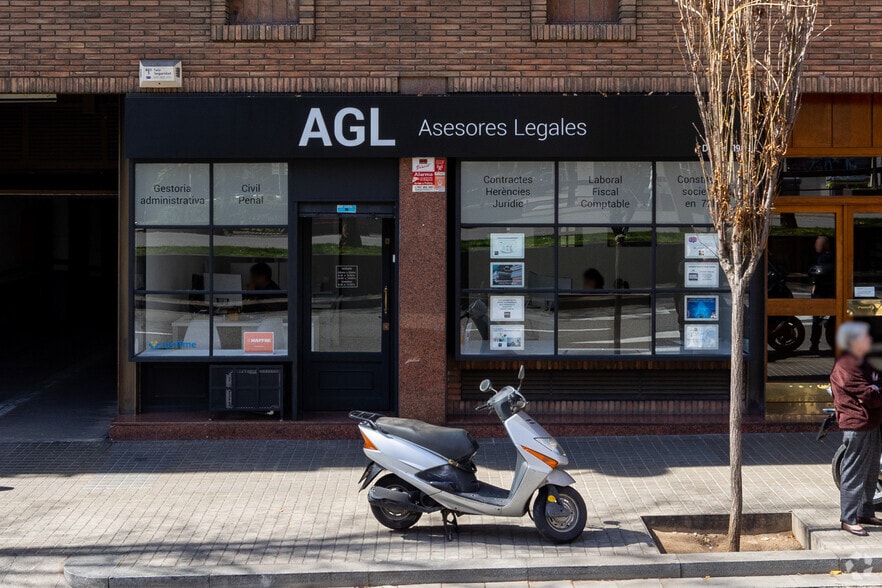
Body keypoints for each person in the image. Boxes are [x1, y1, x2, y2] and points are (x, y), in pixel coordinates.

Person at [829, 321, 882, 536]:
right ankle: (848, 518)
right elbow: (868, 394)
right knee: (854, 470)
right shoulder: (847, 364)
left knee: (871, 469)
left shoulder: (866, 361)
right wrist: (875, 391)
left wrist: (876, 389)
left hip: (873, 421)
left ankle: (865, 511)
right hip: (857, 423)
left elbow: (877, 386)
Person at [810, 235, 835, 352]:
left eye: (819, 243)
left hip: (826, 291)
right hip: (821, 291)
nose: (817, 246)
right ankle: (814, 344)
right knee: (816, 319)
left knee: (818, 319)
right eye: (816, 243)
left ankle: (816, 344)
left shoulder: (828, 258)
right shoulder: (818, 257)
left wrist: (815, 284)